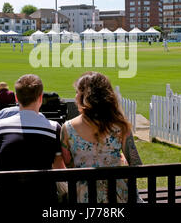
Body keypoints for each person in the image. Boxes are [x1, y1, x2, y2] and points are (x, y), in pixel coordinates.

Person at [60, 72, 143, 203]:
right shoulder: (121, 126)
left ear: (84, 97)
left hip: (82, 198)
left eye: (77, 92)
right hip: (118, 198)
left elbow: (70, 166)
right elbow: (136, 164)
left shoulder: (67, 128)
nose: (75, 97)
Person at [0, 74, 64, 203]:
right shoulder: (54, 128)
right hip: (44, 199)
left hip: (7, 199)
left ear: (16, 98)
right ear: (41, 98)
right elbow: (58, 171)